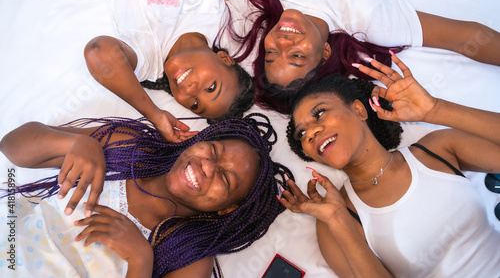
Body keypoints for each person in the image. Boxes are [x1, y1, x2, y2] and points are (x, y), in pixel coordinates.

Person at [185, 0, 500, 114]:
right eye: (295, 55)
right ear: (324, 53)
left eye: (271, 52)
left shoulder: (254, 2)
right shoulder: (370, 21)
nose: (282, 40)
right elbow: (468, 38)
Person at [281, 53, 500, 277]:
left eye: (320, 113)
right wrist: (339, 220)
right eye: (302, 133)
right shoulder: (333, 219)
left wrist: (434, 110)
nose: (311, 133)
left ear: (358, 109)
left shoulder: (437, 149)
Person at [0, 113, 292, 278]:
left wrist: (141, 259)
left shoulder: (190, 258)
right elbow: (12, 146)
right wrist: (78, 142)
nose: (207, 166)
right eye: (213, 151)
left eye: (226, 179)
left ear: (229, 209)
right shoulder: (128, 148)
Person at [84, 0, 254, 143]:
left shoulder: (148, 57)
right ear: (224, 58)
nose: (190, 90)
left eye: (195, 105)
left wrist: (154, 115)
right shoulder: (224, 23)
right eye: (210, 88)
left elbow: (98, 52)